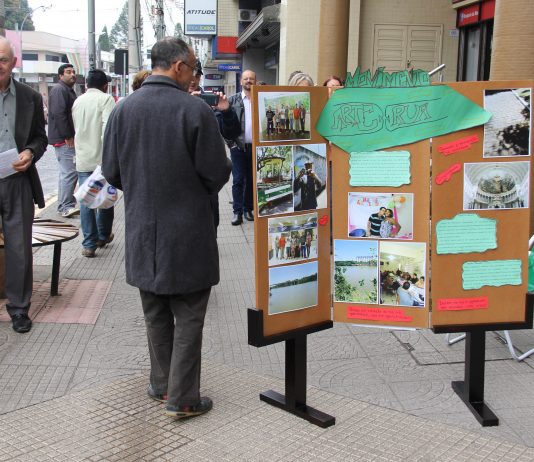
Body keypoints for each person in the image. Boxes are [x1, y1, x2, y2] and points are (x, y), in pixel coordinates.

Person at [102, 37, 231, 420]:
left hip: (143, 230)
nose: (193, 75)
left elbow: (111, 171)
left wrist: (144, 188)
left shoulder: (124, 110)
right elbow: (217, 172)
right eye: (192, 68)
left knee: (155, 310)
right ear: (178, 67)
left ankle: (161, 384)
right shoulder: (194, 111)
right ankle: (183, 398)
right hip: (188, 232)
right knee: (189, 314)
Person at [0, 37, 48, 333]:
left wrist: (30, 152)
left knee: (19, 247)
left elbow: (40, 138)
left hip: (17, 180)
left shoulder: (30, 97)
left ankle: (19, 309)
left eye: (3, 60)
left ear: (13, 63)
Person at [72, 69, 116, 258]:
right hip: (101, 159)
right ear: (105, 86)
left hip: (83, 157)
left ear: (87, 84)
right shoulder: (106, 99)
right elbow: (108, 129)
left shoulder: (78, 101)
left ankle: (89, 244)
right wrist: (109, 155)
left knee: (86, 200)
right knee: (105, 198)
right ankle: (103, 236)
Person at [225, 69, 256, 225]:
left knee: (251, 180)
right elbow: (223, 124)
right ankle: (237, 212)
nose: (248, 81)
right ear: (241, 81)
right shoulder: (232, 100)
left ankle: (248, 209)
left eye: (251, 78)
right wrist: (231, 144)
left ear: (255, 81)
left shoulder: (260, 99)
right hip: (238, 148)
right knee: (238, 180)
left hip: (255, 148)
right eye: (246, 78)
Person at [48, 63, 79, 218]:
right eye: (68, 72)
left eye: (73, 72)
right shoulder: (60, 90)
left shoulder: (66, 90)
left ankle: (64, 204)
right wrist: (68, 136)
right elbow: (59, 114)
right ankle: (66, 206)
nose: (72, 74)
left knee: (66, 173)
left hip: (64, 138)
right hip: (64, 139)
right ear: (60, 75)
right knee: (70, 173)